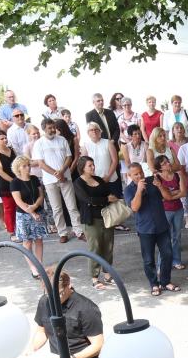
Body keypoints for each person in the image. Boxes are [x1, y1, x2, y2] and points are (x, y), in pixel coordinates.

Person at [124, 162, 178, 296]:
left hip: (161, 225)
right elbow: (135, 207)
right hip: (145, 229)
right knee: (148, 259)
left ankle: (165, 281)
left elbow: (168, 197)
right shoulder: (129, 190)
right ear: (130, 176)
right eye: (136, 174)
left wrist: (160, 186)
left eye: (141, 172)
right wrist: (139, 190)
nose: (139, 176)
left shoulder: (152, 181)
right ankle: (154, 284)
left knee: (167, 254)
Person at [33, 119, 83, 243]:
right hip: (50, 181)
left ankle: (78, 231)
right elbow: (41, 163)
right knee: (56, 208)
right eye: (49, 128)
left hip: (66, 177)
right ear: (44, 129)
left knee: (72, 206)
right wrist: (57, 174)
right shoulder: (39, 143)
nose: (52, 130)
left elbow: (69, 157)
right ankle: (62, 233)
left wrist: (62, 172)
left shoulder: (62, 140)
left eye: (53, 127)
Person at [73, 156, 118, 290]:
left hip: (106, 218)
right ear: (82, 168)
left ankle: (107, 274)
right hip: (91, 220)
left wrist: (105, 199)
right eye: (90, 165)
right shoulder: (78, 183)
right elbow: (88, 200)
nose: (93, 167)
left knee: (108, 247)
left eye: (93, 164)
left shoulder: (99, 179)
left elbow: (109, 193)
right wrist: (105, 199)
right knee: (95, 248)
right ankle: (94, 277)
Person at [9, 155, 48, 277]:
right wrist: (32, 212)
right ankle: (33, 267)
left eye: (28, 165)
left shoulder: (34, 179)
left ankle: (40, 264)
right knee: (28, 242)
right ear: (18, 168)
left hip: (38, 211)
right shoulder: (15, 182)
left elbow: (41, 195)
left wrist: (35, 206)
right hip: (24, 215)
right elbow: (18, 201)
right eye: (24, 166)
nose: (28, 168)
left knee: (39, 240)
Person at [153, 156, 188, 271]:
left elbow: (183, 193)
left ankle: (176, 260)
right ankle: (161, 264)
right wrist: (173, 193)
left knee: (176, 236)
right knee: (164, 238)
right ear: (159, 168)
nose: (168, 163)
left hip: (178, 209)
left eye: (168, 161)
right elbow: (160, 197)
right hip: (164, 211)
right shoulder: (157, 178)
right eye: (164, 163)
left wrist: (170, 195)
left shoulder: (177, 175)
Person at [81, 121, 121, 202]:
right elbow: (84, 164)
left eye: (96, 129)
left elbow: (115, 160)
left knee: (116, 202)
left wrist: (108, 176)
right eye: (91, 130)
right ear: (88, 133)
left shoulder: (108, 142)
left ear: (100, 131)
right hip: (95, 181)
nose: (94, 131)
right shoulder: (85, 145)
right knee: (102, 204)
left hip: (111, 179)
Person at [0, 131, 18, 238]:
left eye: (5, 138)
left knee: (19, 207)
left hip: (16, 180)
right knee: (9, 208)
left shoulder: (12, 149)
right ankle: (11, 231)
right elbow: (0, 171)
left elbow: (18, 164)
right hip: (5, 183)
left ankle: (19, 229)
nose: (5, 140)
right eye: (2, 139)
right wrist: (13, 181)